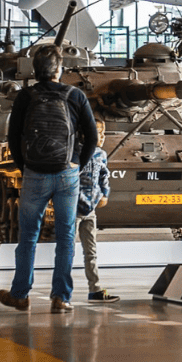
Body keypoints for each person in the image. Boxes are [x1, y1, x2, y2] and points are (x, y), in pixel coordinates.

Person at [0, 43, 98, 313]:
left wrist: (25, 165)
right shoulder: (74, 95)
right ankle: (61, 297)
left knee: (28, 236)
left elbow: (13, 136)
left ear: (35, 70)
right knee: (66, 237)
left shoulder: (25, 97)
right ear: (59, 69)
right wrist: (77, 164)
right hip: (67, 173)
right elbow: (93, 137)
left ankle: (20, 295)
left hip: (35, 172)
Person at [77, 118, 119, 303]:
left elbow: (104, 175)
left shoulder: (101, 154)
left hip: (91, 208)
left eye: (103, 133)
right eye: (99, 133)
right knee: (66, 250)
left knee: (91, 252)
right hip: (74, 208)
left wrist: (105, 193)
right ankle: (61, 291)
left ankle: (94, 289)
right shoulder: (76, 153)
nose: (102, 137)